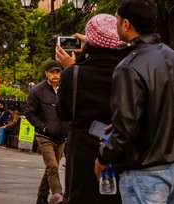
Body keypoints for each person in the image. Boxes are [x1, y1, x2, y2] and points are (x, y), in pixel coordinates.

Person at [96, 0, 174, 204]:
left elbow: (126, 125)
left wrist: (103, 157)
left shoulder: (129, 66)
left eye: (117, 20)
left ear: (126, 24)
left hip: (145, 170)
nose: (117, 26)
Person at [55, 12, 124, 204]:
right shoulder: (126, 70)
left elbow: (64, 112)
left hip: (84, 148)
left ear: (90, 41)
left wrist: (71, 68)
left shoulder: (74, 73)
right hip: (118, 145)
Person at [24, 60, 68, 204]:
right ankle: (58, 196)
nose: (55, 75)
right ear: (46, 74)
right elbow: (29, 113)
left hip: (61, 137)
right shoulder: (37, 91)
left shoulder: (65, 89)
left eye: (58, 72)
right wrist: (42, 127)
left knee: (50, 168)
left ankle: (41, 197)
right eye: (52, 72)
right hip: (44, 136)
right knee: (53, 166)